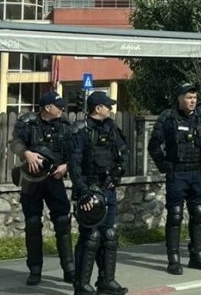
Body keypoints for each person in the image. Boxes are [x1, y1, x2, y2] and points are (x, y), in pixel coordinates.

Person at [147, 82, 201, 274]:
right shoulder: (168, 118)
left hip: (197, 172)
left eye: (194, 97)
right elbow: (154, 145)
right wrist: (164, 165)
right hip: (177, 173)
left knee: (198, 212)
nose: (192, 101)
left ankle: (197, 254)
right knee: (175, 215)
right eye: (188, 97)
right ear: (179, 98)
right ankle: (173, 259)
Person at [11, 91, 75, 287]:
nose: (62, 108)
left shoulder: (65, 125)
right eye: (58, 105)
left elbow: (76, 151)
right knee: (32, 224)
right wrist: (26, 153)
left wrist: (66, 167)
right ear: (47, 107)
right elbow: (15, 143)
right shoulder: (28, 123)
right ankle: (35, 269)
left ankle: (69, 269)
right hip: (31, 180)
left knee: (63, 222)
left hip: (54, 179)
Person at [68, 91, 129, 295]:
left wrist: (117, 174)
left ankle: (106, 281)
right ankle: (82, 285)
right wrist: (83, 191)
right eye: (107, 106)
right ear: (98, 108)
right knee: (90, 237)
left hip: (108, 189)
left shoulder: (111, 128)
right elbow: (74, 165)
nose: (110, 109)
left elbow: (123, 154)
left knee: (109, 235)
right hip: (89, 190)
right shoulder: (81, 130)